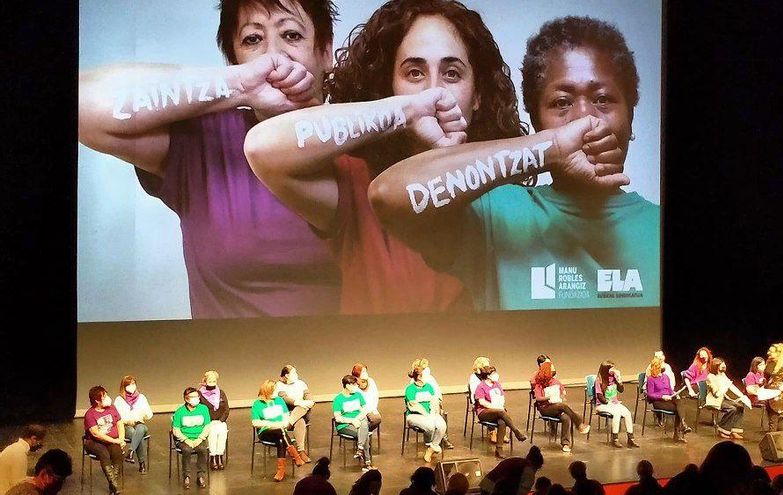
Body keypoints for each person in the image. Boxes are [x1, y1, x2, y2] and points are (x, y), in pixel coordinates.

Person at [244, 0, 530, 315]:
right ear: (389, 86)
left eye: (451, 74)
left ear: (477, 96)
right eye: (414, 73)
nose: (433, 91)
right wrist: (407, 109)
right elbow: (262, 146)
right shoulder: (357, 187)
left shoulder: (511, 201)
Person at [368, 15, 655, 313]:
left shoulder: (660, 228)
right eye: (561, 102)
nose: (585, 119)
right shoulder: (496, 214)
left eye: (604, 99)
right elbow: (387, 194)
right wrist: (552, 147)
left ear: (631, 116)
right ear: (535, 120)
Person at [77, 0, 343, 319]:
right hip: (230, 363)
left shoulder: (372, 141)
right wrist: (240, 83)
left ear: (325, 51)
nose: (274, 55)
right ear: (234, 60)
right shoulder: (206, 142)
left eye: (291, 35)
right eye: (252, 39)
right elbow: (83, 103)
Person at [251, 379, 303, 482]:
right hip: (265, 432)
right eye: (274, 390)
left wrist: (282, 424)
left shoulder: (279, 400)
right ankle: (296, 456)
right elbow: (255, 423)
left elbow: (285, 417)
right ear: (268, 391)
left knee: (280, 440)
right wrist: (272, 424)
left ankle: (281, 471)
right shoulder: (257, 404)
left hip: (280, 431)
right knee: (281, 432)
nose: (276, 392)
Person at [532, 361, 589, 452]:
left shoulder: (556, 381)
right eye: (552, 368)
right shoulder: (539, 384)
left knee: (566, 417)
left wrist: (560, 397)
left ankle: (565, 444)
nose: (554, 370)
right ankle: (579, 423)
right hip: (546, 408)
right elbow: (538, 398)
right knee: (563, 406)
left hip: (557, 406)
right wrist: (549, 397)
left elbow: (562, 393)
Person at [474, 366, 528, 458]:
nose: (496, 375)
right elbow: (482, 402)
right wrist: (496, 407)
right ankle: (516, 432)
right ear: (488, 376)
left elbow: (502, 397)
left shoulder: (497, 384)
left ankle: (499, 449)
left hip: (498, 410)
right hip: (484, 412)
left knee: (502, 422)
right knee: (501, 412)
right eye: (493, 374)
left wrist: (500, 405)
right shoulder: (481, 386)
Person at [83, 386, 125, 494]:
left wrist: (121, 439)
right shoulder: (90, 414)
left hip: (112, 440)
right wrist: (114, 441)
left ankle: (113, 486)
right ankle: (115, 485)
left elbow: (120, 423)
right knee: (104, 453)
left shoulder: (112, 408)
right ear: (97, 400)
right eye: (104, 396)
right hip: (94, 442)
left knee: (117, 452)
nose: (107, 397)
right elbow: (96, 434)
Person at [405, 366, 448, 462]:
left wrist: (433, 412)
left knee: (442, 425)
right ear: (419, 377)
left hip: (430, 414)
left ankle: (432, 447)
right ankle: (428, 443)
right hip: (415, 415)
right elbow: (413, 405)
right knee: (430, 426)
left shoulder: (429, 386)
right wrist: (426, 415)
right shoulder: (410, 389)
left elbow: (434, 401)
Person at [171, 387, 211, 489]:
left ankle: (200, 476)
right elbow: (176, 430)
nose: (196, 399)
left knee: (202, 449)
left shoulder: (204, 409)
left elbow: (207, 427)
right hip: (184, 439)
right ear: (186, 399)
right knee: (186, 450)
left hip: (199, 438)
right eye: (193, 397)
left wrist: (199, 439)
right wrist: (186, 440)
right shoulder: (180, 411)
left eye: (197, 396)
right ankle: (186, 476)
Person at [332, 375, 375, 471]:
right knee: (365, 434)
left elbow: (365, 410)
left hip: (359, 422)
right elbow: (338, 418)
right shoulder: (338, 399)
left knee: (363, 421)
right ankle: (367, 463)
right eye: (355, 385)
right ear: (347, 385)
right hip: (345, 425)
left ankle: (360, 449)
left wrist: (357, 419)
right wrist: (352, 421)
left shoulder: (358, 395)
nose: (357, 387)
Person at [645, 357, 690, 443]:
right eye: (660, 366)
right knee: (679, 409)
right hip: (659, 401)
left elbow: (669, 389)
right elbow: (650, 394)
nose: (663, 367)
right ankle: (679, 431)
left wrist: (674, 394)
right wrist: (662, 396)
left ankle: (683, 425)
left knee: (680, 402)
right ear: (656, 367)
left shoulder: (665, 376)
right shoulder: (651, 379)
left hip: (669, 399)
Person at [410, 358, 453, 448]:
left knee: (441, 415)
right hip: (419, 413)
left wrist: (437, 405)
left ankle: (442, 438)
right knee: (430, 423)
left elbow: (436, 394)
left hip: (432, 409)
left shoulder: (430, 381)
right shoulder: (412, 384)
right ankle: (430, 442)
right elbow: (413, 403)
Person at [113, 375, 152, 473]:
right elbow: (118, 416)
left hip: (139, 423)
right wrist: (128, 420)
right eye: (129, 384)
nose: (132, 386)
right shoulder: (119, 399)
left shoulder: (141, 397)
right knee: (136, 434)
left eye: (133, 384)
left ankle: (130, 451)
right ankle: (142, 463)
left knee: (141, 429)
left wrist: (142, 414)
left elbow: (149, 414)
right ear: (124, 386)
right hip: (125, 426)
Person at [595, 361, 639, 448]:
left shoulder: (614, 377)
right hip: (602, 405)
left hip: (614, 404)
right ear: (606, 370)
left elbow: (621, 390)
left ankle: (631, 438)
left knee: (627, 413)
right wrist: (608, 403)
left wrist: (619, 380)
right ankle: (615, 438)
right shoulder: (599, 380)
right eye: (611, 368)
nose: (613, 370)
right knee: (617, 414)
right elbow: (599, 396)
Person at [706, 358, 752, 439]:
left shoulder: (723, 375)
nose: (724, 366)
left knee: (740, 407)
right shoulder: (711, 377)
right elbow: (716, 394)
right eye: (722, 365)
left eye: (724, 364)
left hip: (723, 399)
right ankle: (722, 430)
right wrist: (724, 386)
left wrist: (742, 396)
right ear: (716, 366)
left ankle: (734, 430)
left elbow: (731, 386)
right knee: (732, 409)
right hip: (714, 400)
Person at [275, 365, 313, 463]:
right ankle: (301, 451)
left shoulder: (301, 383)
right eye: (294, 373)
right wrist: (298, 402)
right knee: (300, 421)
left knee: (303, 407)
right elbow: (284, 398)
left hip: (302, 411)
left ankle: (289, 423)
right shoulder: (279, 385)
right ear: (287, 375)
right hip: (287, 412)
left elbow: (308, 395)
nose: (296, 375)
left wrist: (307, 402)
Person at [197, 370, 229, 470]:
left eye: (214, 381)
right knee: (212, 433)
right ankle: (212, 457)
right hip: (207, 422)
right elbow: (199, 410)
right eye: (210, 381)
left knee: (222, 432)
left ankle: (219, 456)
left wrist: (221, 420)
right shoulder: (199, 394)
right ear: (205, 381)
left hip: (220, 421)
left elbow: (226, 409)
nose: (212, 383)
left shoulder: (221, 393)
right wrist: (208, 421)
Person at [479, 445, 543, 495]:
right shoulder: (528, 470)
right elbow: (523, 491)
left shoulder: (517, 461)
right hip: (494, 489)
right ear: (535, 465)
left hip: (486, 485)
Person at [3, 449, 72, 495]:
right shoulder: (32, 492)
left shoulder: (25, 485)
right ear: (44, 475)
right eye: (58, 480)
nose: (59, 486)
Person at [0, 425, 46, 493]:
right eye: (40, 442)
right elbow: (17, 484)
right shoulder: (19, 453)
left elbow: (16, 477)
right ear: (33, 439)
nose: (40, 445)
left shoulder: (14, 447)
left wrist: (34, 479)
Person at [764, 343, 783, 432]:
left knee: (773, 419)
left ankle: (771, 441)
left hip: (777, 395)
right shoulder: (770, 362)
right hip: (768, 392)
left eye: (771, 352)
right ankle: (779, 438)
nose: (768, 353)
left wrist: (780, 389)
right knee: (772, 417)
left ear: (778, 353)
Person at [351, 364, 382, 431]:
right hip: (359, 408)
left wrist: (373, 408)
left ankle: (364, 432)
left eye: (366, 371)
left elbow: (375, 395)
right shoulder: (353, 383)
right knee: (362, 419)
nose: (366, 373)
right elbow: (354, 399)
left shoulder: (371, 381)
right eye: (363, 371)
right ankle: (362, 434)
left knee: (377, 419)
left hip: (371, 408)